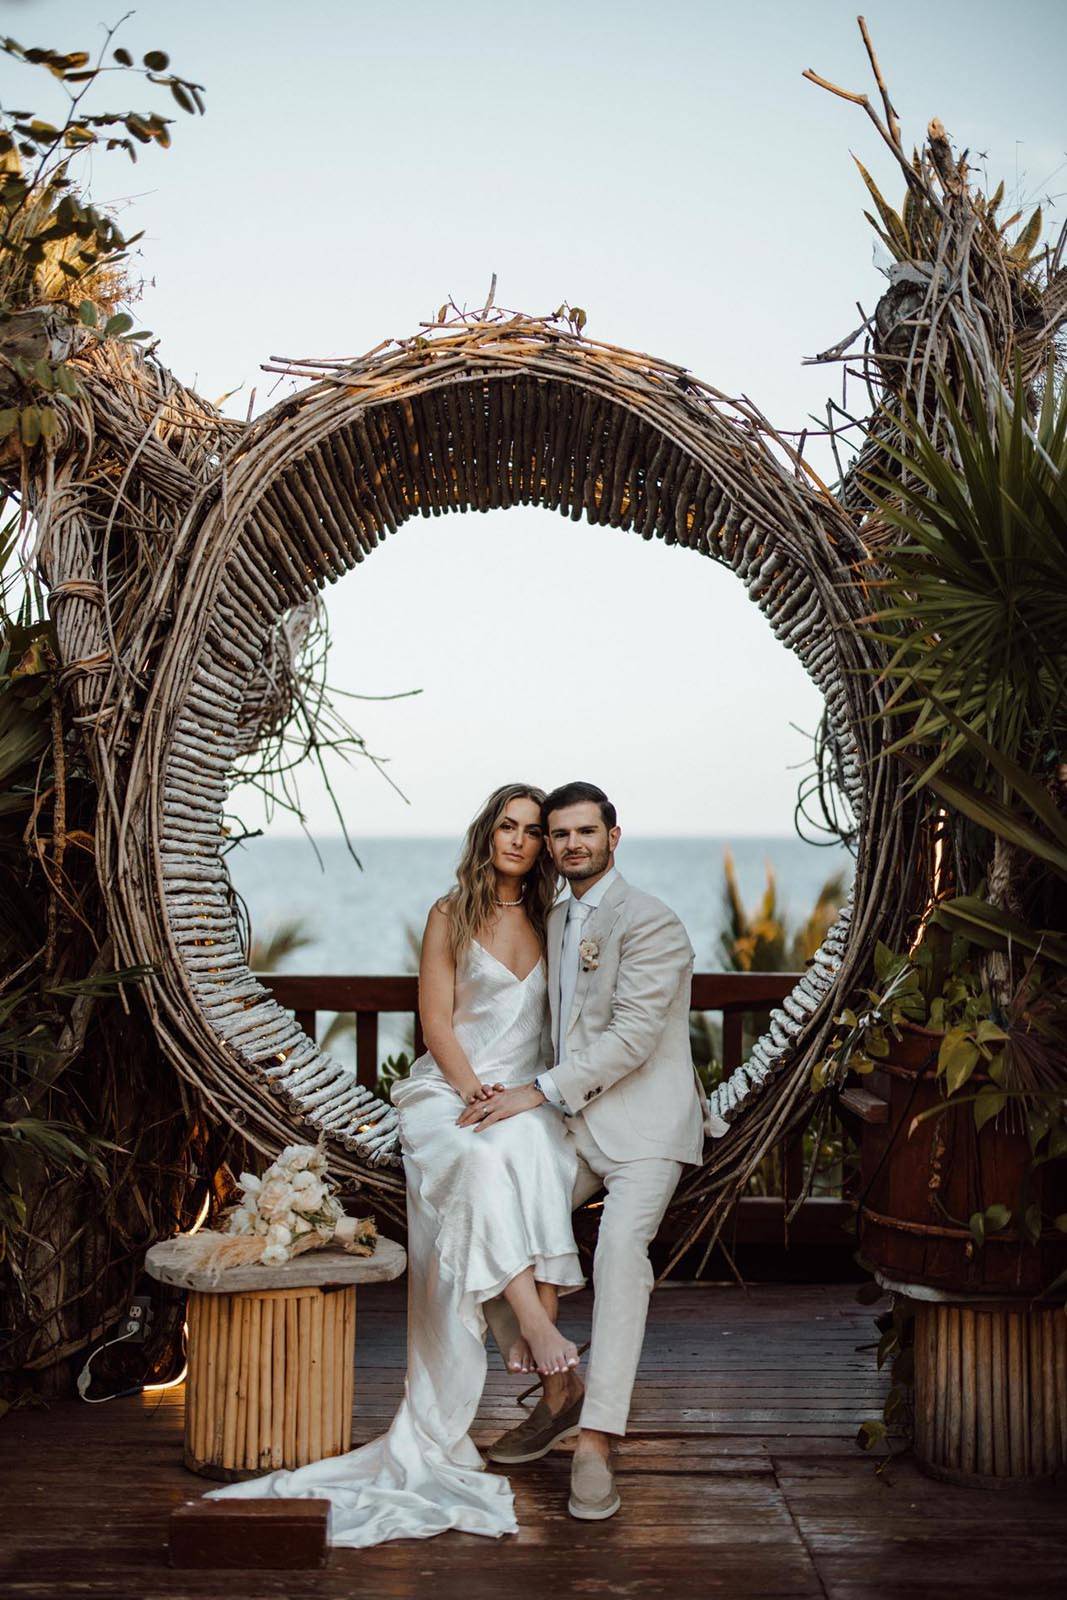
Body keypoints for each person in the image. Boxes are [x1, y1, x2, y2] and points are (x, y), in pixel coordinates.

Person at [206, 783, 584, 1545]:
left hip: (522, 1096)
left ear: (546, 846)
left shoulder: (557, 918)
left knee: (537, 1154)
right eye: (506, 826)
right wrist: (470, 1087)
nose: (518, 840)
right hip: (445, 1089)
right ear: (487, 834)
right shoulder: (451, 914)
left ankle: (527, 1329)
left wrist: (524, 1096)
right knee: (473, 1167)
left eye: (533, 831)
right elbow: (436, 1021)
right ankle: (537, 1330)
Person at [472, 781, 727, 1521]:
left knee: (619, 1250)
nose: (571, 845)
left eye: (586, 831)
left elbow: (629, 1039)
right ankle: (558, 1393)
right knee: (487, 1203)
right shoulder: (550, 916)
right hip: (572, 1126)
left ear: (614, 836)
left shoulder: (654, 922)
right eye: (560, 835)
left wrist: (533, 1092)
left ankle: (595, 1437)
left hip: (645, 1127)